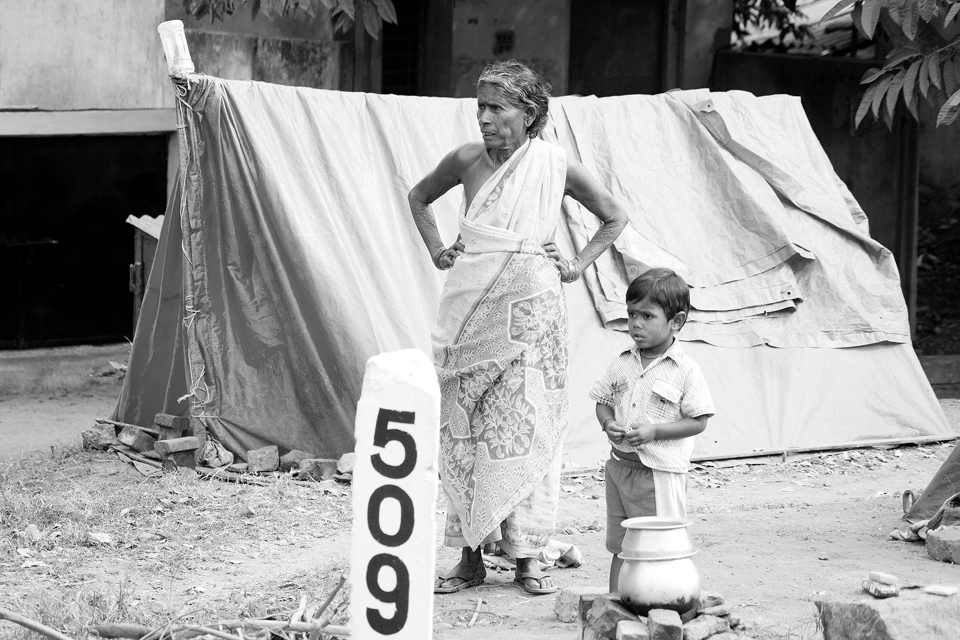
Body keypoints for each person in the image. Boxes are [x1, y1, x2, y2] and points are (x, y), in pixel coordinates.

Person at [407, 60, 628, 595]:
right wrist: (439, 250)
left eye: (497, 107)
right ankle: (468, 558)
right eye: (480, 106)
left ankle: (527, 557)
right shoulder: (464, 160)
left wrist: (576, 265)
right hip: (468, 316)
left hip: (534, 320)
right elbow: (418, 197)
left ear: (528, 115)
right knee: (464, 431)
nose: (484, 118)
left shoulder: (555, 164)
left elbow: (614, 216)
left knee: (528, 430)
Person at [589, 268, 714, 593]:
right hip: (620, 469)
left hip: (658, 474)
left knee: (658, 546)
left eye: (647, 315)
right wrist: (608, 424)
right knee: (622, 545)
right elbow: (603, 402)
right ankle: (617, 601)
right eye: (631, 314)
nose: (636, 324)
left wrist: (655, 432)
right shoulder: (622, 363)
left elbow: (698, 421)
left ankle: (661, 602)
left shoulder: (685, 371)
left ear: (676, 321)